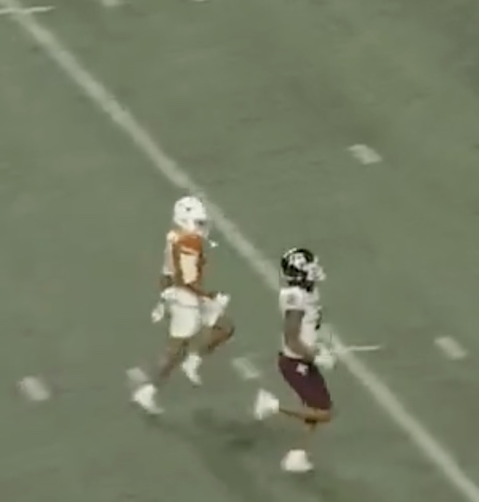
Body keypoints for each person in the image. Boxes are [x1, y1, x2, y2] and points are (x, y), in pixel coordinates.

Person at [131, 195, 236, 414]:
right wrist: (211, 296)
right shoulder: (188, 242)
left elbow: (166, 274)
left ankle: (192, 360)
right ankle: (149, 390)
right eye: (198, 222)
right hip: (186, 300)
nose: (202, 226)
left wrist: (163, 298)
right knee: (174, 352)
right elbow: (189, 281)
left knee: (224, 327)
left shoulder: (175, 238)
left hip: (183, 295)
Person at [253, 248, 332, 474]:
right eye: (309, 268)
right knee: (324, 412)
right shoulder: (295, 299)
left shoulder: (307, 293)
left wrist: (318, 349)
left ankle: (297, 455)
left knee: (315, 408)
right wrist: (317, 356)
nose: (314, 270)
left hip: (302, 358)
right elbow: (292, 338)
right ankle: (272, 405)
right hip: (296, 360)